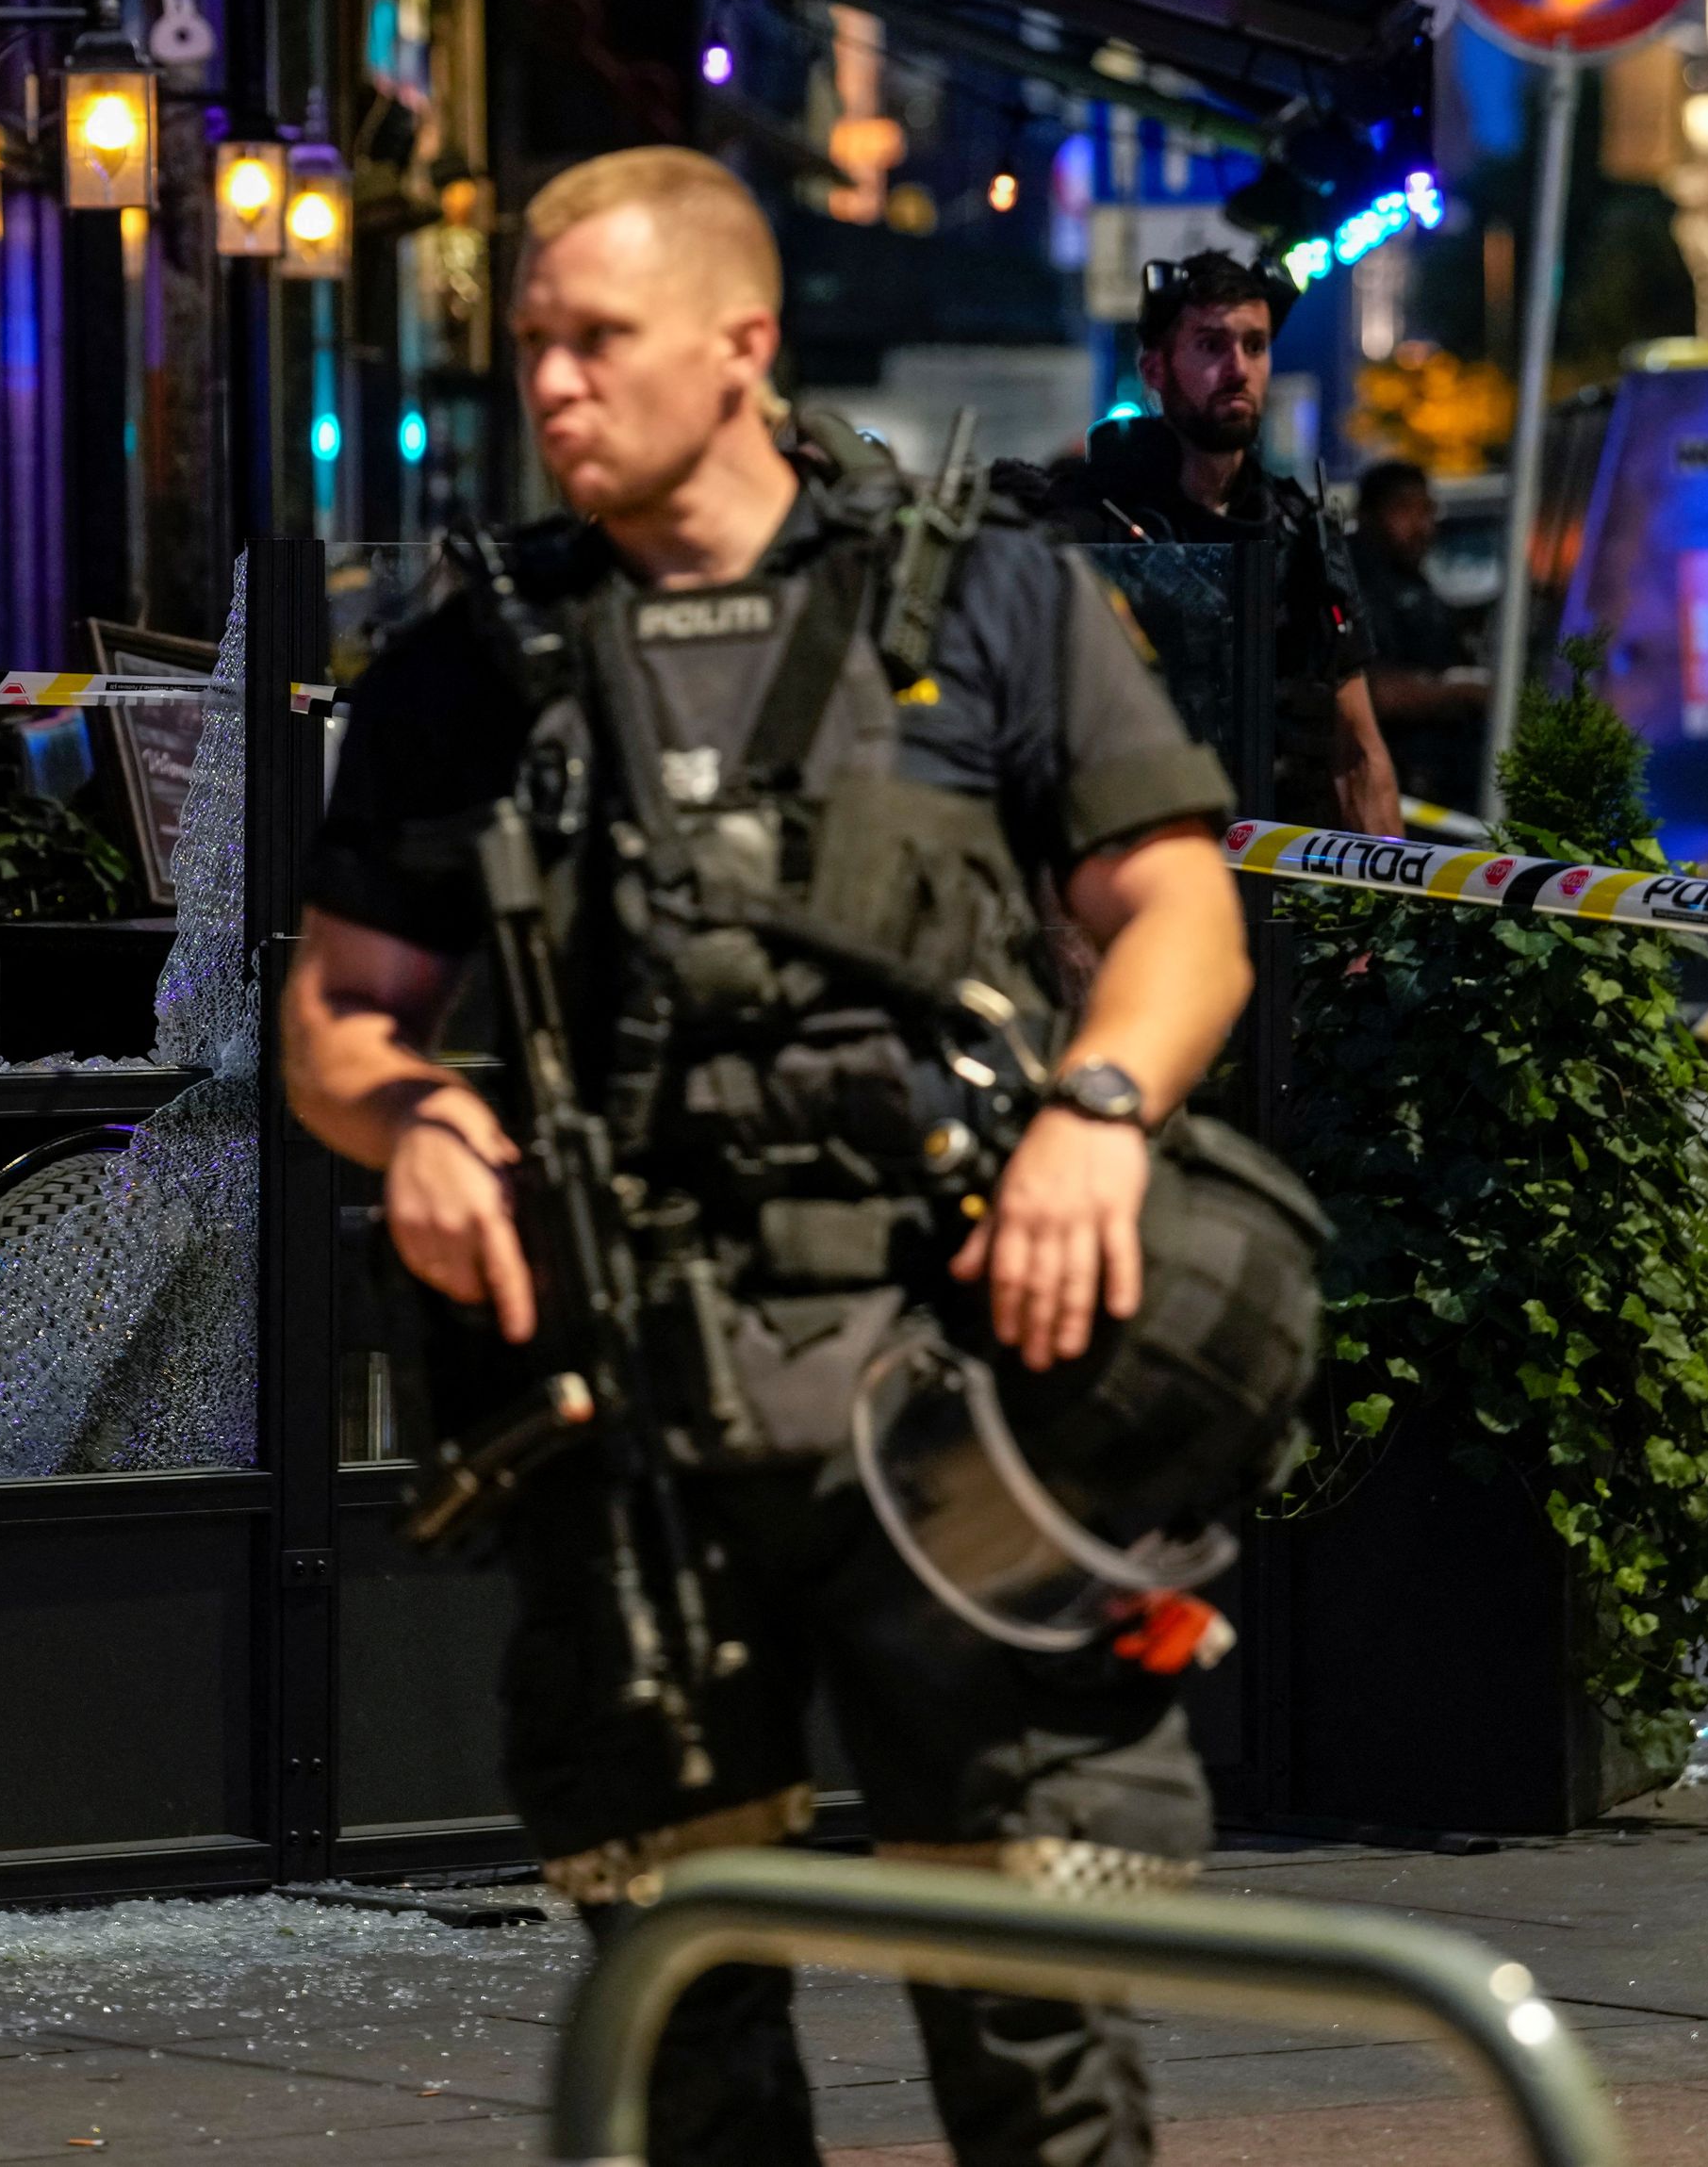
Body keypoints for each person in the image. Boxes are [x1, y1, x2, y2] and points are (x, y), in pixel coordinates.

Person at [283, 146, 1255, 2167]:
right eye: (525, 346)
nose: (545, 388)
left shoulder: (986, 596)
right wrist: (408, 1115)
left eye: (592, 343)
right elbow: (333, 1008)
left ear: (739, 347)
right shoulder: (476, 659)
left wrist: (1093, 1120)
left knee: (1033, 2010)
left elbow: (1179, 914)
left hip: (956, 1396)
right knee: (681, 2024)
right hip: (637, 1416)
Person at [1013, 252, 1400, 834]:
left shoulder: (1298, 530)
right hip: (1142, 878)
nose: (1238, 368)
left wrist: (1389, 911)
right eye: (1210, 345)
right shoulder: (1090, 524)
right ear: (1155, 369)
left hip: (1285, 890)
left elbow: (1358, 751)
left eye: (1255, 345)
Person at [1347, 461, 1489, 816]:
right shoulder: (1355, 580)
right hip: (1395, 789)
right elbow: (1370, 690)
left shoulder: (1410, 579)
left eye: (1427, 511)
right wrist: (1463, 691)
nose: (1423, 526)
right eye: (1405, 509)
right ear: (1368, 515)